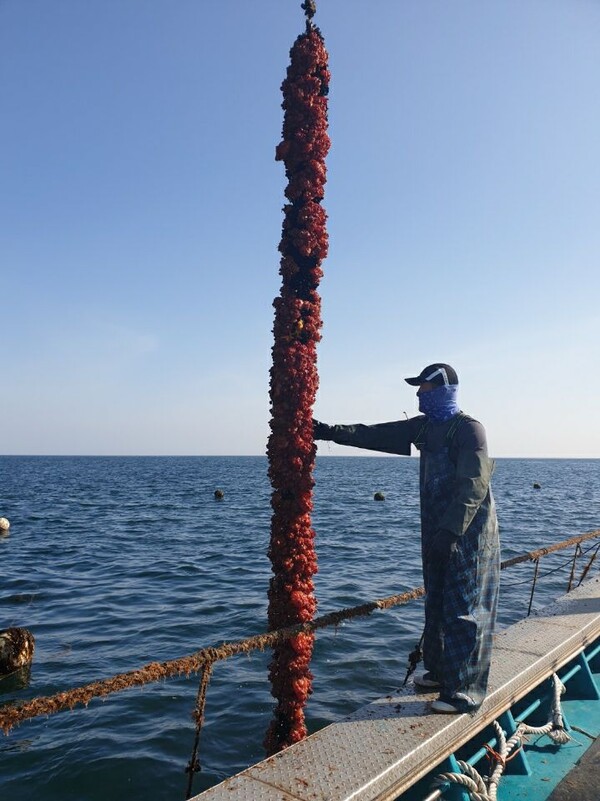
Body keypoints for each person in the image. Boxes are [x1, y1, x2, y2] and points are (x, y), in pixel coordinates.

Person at [313, 363, 500, 713]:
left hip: (469, 533)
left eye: (424, 389)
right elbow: (376, 434)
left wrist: (451, 532)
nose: (417, 395)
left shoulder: (469, 430)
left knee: (465, 610)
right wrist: (327, 432)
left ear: (444, 389)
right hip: (435, 529)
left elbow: (473, 485)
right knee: (437, 602)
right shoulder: (426, 428)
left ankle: (464, 692)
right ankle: (442, 671)